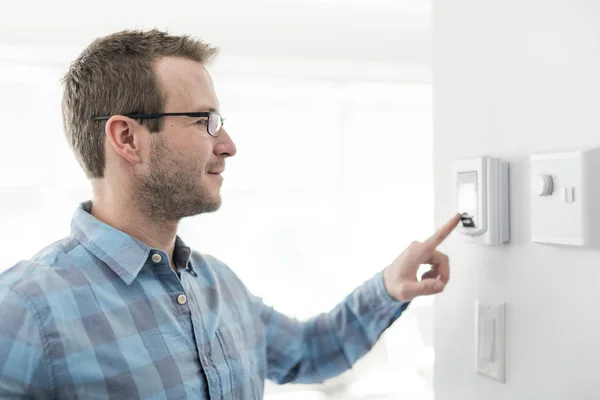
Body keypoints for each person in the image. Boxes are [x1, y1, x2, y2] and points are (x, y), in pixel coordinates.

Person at [0, 29, 460, 399]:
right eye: (206, 122)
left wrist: (389, 287)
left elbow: (310, 352)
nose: (228, 145)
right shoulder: (23, 309)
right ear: (127, 138)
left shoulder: (219, 285)